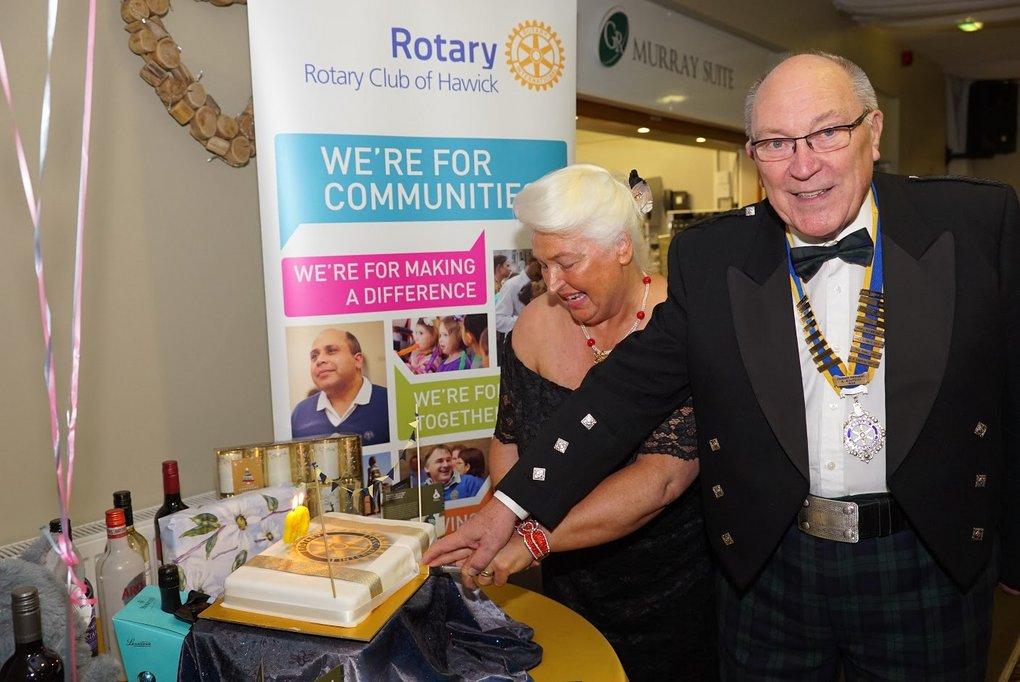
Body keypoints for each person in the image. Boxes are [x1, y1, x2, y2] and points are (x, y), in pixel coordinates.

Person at [427, 52, 1019, 681]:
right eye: (776, 143)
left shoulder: (974, 224)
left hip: (925, 559)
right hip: (772, 571)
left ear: (873, 131)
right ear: (752, 155)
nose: (803, 164)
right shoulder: (712, 256)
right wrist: (509, 506)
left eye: (826, 132)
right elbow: (625, 391)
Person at [477, 165, 720, 679]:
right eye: (542, 265)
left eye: (566, 262)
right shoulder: (535, 324)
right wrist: (509, 525)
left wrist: (534, 539)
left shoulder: (682, 323)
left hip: (677, 593)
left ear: (622, 248)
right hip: (564, 583)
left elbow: (662, 479)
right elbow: (510, 441)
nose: (553, 283)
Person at [290, 329, 390, 445]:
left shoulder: (390, 403)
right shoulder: (300, 414)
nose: (319, 360)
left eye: (331, 351)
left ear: (357, 361)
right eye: (314, 356)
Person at [494, 256, 534, 334]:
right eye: (507, 266)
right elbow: (499, 319)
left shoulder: (503, 285)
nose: (510, 269)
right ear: (499, 267)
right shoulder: (510, 285)